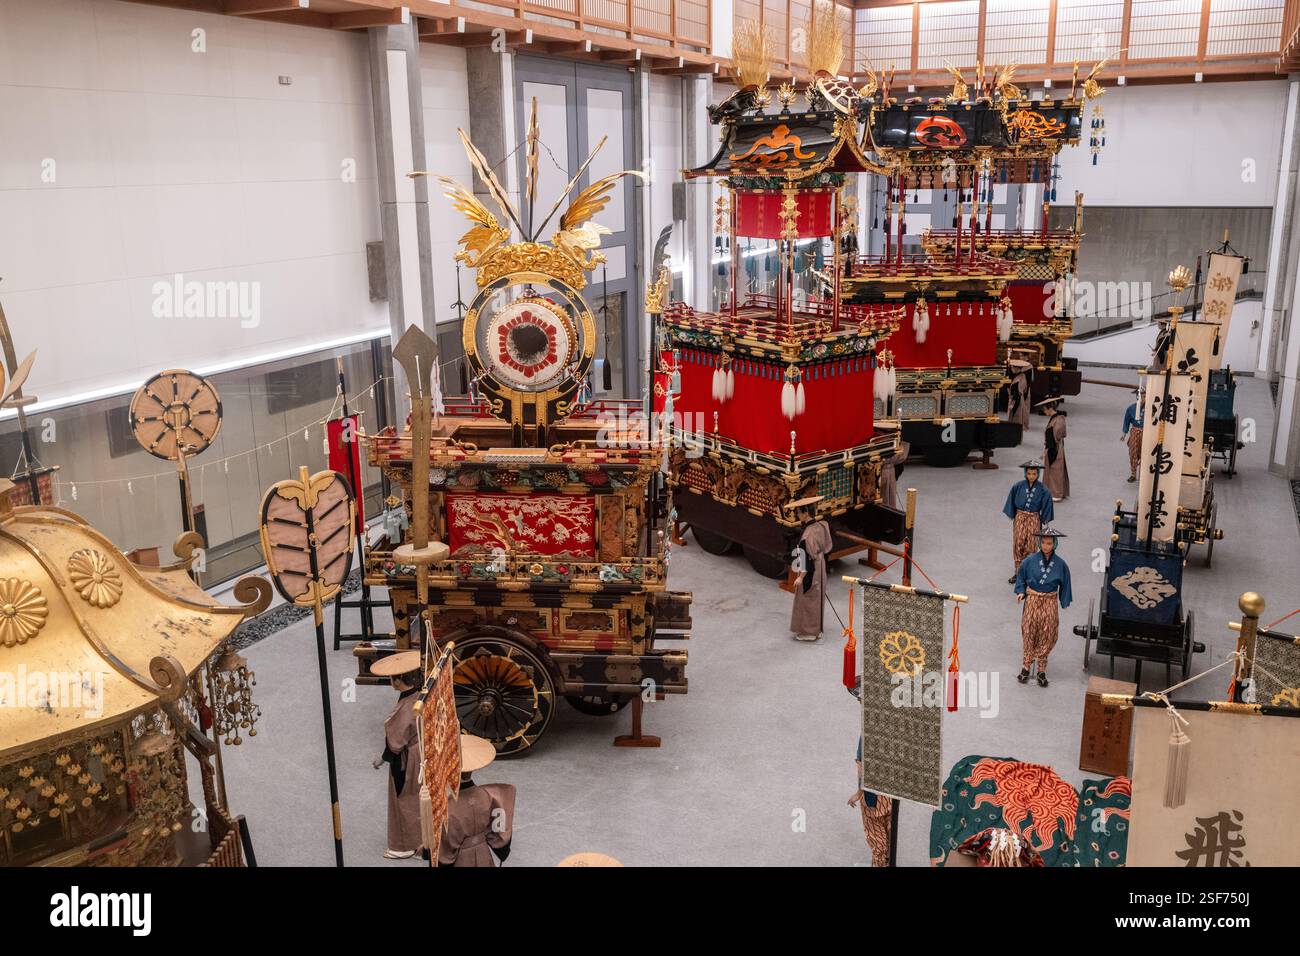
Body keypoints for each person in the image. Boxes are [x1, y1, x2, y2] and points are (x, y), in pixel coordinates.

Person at [372, 650, 424, 860]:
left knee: (403, 799)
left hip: (408, 759)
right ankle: (425, 843)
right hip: (423, 751)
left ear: (398, 681)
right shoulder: (422, 695)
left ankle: (405, 846)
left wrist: (382, 758)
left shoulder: (406, 707)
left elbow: (395, 743)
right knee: (420, 798)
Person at [439, 734, 516, 867]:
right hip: (483, 853)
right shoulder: (487, 795)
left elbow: (447, 843)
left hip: (461, 859)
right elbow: (496, 826)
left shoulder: (449, 806)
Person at [1013, 527, 1072, 687]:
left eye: (1050, 543)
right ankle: (1026, 666)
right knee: (1029, 628)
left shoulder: (1061, 565)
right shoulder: (1029, 561)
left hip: (1050, 600)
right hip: (1032, 598)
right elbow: (1021, 578)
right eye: (1044, 543)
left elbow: (1065, 582)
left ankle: (1041, 670)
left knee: (1048, 631)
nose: (1046, 546)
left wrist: (1064, 599)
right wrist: (1020, 591)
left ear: (1055, 544)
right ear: (1039, 543)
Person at [1001, 460, 1054, 584]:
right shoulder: (1018, 486)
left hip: (1034, 518)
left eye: (1034, 474)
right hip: (1020, 517)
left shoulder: (1043, 490)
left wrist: (1045, 519)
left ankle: (1028, 573)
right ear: (1026, 473)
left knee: (1031, 545)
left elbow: (1047, 504)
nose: (1031, 476)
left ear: (1038, 474)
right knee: (1018, 543)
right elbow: (1012, 499)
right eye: (1029, 473)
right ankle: (1018, 572)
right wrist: (1012, 514)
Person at [848, 737, 893, 867]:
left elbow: (861, 766)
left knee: (882, 848)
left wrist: (858, 793)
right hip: (881, 801)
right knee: (885, 847)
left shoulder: (868, 735)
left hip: (878, 802)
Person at [790, 516, 833, 642]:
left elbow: (806, 564)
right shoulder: (822, 525)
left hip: (812, 568)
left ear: (803, 514)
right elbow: (827, 547)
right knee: (818, 597)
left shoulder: (806, 536)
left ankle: (809, 632)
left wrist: (800, 578)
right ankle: (817, 630)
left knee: (808, 598)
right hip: (820, 564)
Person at [1037, 397, 1069, 501]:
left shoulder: (1057, 421)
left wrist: (1048, 451)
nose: (1044, 411)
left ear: (1049, 408)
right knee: (1054, 471)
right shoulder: (1057, 419)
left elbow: (1055, 438)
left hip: (1054, 448)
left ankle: (1056, 493)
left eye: (1044, 409)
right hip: (1054, 447)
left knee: (1054, 471)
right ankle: (1054, 492)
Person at [1122, 389, 1144, 482]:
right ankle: (1133, 474)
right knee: (1133, 453)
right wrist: (1124, 433)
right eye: (1141, 396)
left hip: (1146, 433)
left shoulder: (1150, 408)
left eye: (1144, 396)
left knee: (1144, 453)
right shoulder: (1131, 408)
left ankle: (1143, 474)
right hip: (1135, 432)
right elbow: (1126, 421)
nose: (1143, 398)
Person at [1006, 360, 1032, 431]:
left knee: (1016, 419)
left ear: (1016, 368)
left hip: (1017, 402)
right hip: (1016, 400)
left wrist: (1012, 405)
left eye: (1012, 367)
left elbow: (1018, 393)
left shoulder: (1021, 378)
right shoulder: (1019, 376)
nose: (1011, 369)